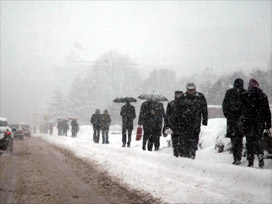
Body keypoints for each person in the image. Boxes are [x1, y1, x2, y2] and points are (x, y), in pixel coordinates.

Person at [242, 79, 271, 168]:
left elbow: (242, 111)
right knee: (259, 141)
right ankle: (260, 157)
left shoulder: (245, 96)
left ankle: (250, 161)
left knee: (249, 142)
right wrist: (268, 125)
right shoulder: (263, 96)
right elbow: (267, 111)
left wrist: (242, 122)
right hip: (259, 123)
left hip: (248, 123)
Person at [222, 78, 246, 165]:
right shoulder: (245, 93)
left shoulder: (229, 93)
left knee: (235, 140)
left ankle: (236, 157)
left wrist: (228, 115)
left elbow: (225, 106)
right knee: (239, 139)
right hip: (240, 121)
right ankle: (237, 157)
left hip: (233, 120)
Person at [182, 82, 208, 159]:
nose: (191, 91)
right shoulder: (183, 97)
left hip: (196, 121)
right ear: (187, 89)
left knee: (194, 138)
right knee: (185, 139)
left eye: (192, 89)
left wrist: (205, 120)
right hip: (184, 122)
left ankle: (192, 153)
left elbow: (204, 108)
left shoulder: (200, 96)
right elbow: (178, 109)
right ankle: (186, 153)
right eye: (189, 90)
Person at [164, 91, 185, 157]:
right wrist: (167, 125)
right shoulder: (171, 104)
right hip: (174, 125)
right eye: (177, 94)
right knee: (175, 141)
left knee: (182, 141)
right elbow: (167, 115)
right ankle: (176, 154)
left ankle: (181, 154)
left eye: (179, 94)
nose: (178, 95)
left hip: (183, 125)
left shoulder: (185, 104)